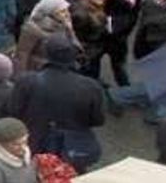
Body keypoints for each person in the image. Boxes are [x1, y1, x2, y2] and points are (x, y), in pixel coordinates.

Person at [7, 38, 105, 172]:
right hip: (71, 150)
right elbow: (98, 120)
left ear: (46, 54)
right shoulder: (91, 86)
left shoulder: (27, 81)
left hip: (34, 146)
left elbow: (13, 111)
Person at [16, 0, 79, 73]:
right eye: (62, 11)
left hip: (61, 70)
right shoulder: (32, 28)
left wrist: (70, 31)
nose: (67, 14)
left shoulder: (64, 26)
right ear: (50, 11)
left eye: (67, 10)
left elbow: (76, 49)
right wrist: (22, 77)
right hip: (38, 72)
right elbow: (23, 54)